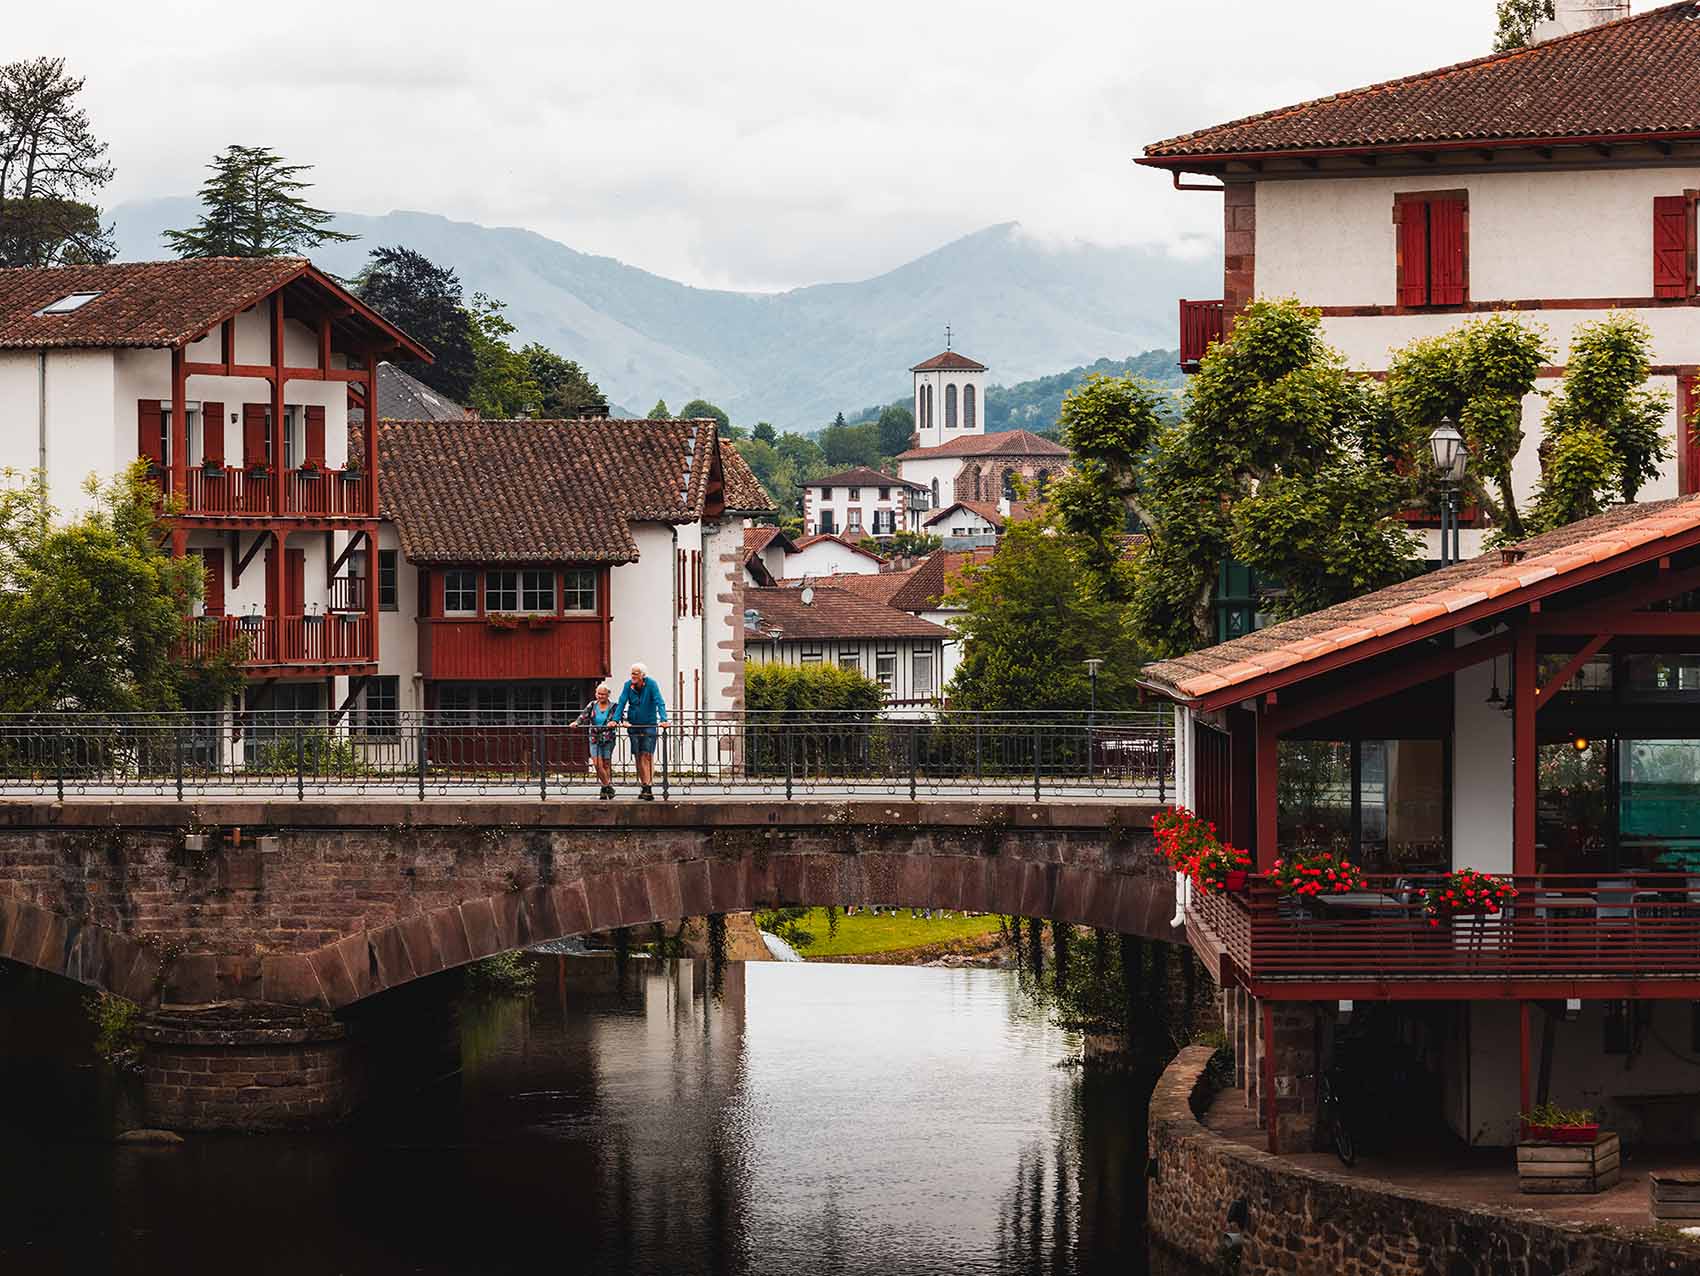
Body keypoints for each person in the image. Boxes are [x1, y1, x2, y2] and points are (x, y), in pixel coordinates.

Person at [614, 661, 667, 800]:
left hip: (649, 724)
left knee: (647, 755)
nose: (633, 676)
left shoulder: (651, 684)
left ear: (643, 675)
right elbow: (621, 702)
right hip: (634, 725)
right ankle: (644, 785)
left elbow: (659, 701)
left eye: (636, 674)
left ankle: (648, 786)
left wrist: (663, 719)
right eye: (632, 673)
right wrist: (616, 719)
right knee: (638, 756)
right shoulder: (628, 685)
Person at [573, 683, 620, 799]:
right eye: (598, 694)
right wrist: (576, 723)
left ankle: (604, 789)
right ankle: (608, 786)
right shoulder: (592, 705)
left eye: (603, 694)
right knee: (597, 764)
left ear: (608, 695)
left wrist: (617, 722)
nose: (600, 696)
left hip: (608, 738)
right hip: (594, 737)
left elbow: (619, 717)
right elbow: (583, 716)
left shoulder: (614, 706)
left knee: (606, 763)